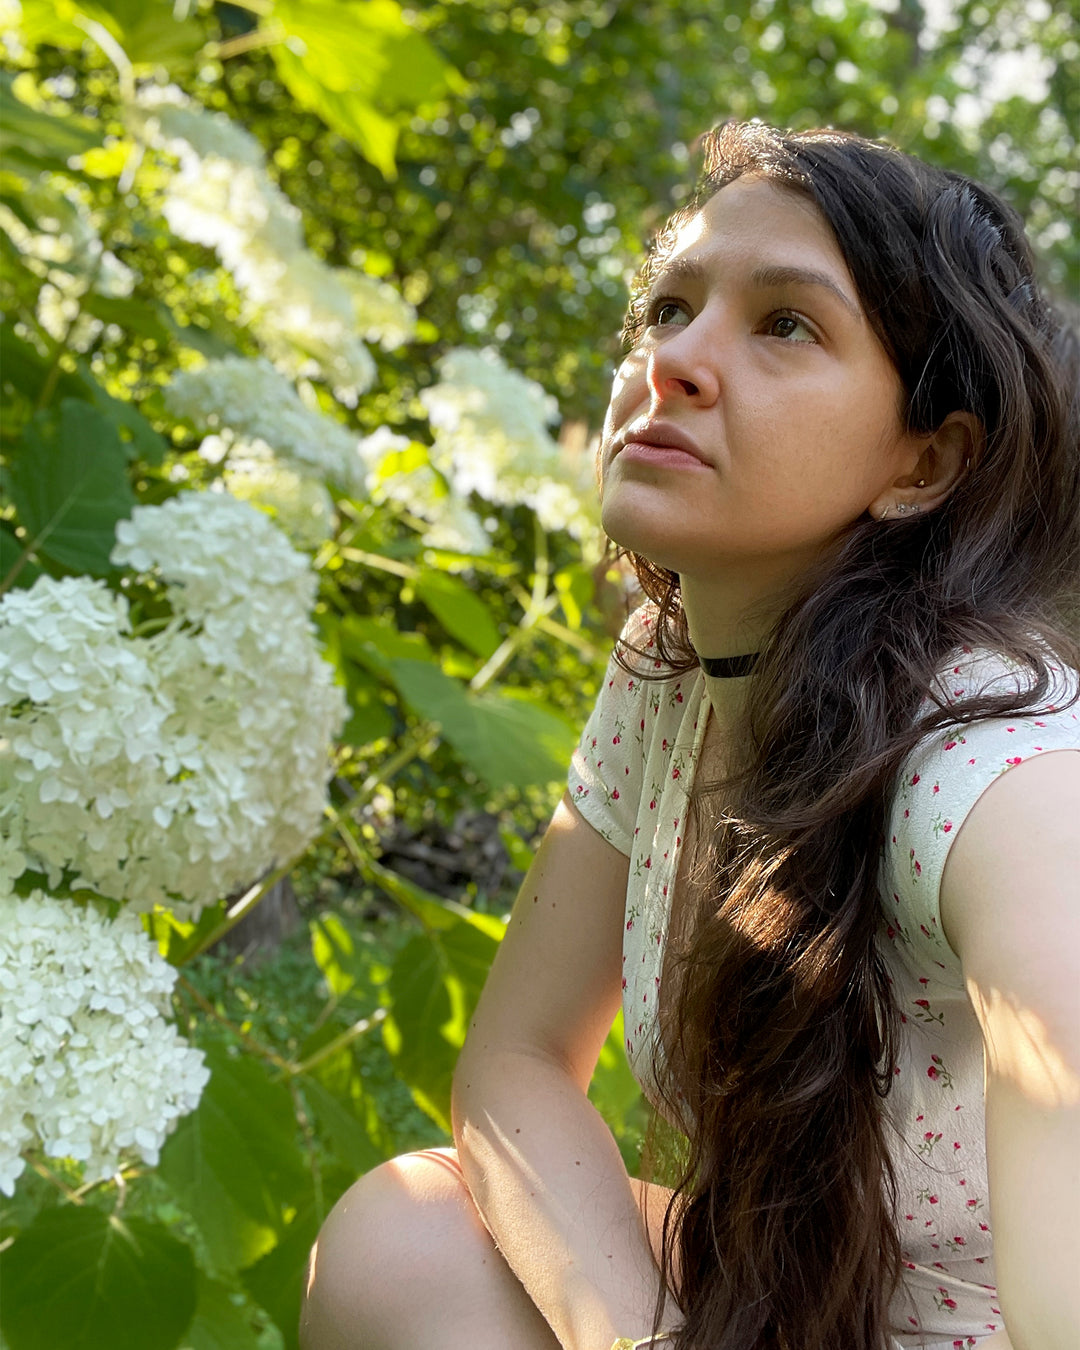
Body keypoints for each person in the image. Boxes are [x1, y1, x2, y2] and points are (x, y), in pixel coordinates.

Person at [299, 121, 1080, 1350]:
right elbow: (513, 1068)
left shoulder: (1003, 781)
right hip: (785, 1310)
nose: (673, 363)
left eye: (786, 324)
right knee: (402, 1240)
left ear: (925, 463)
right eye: (668, 309)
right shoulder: (666, 678)